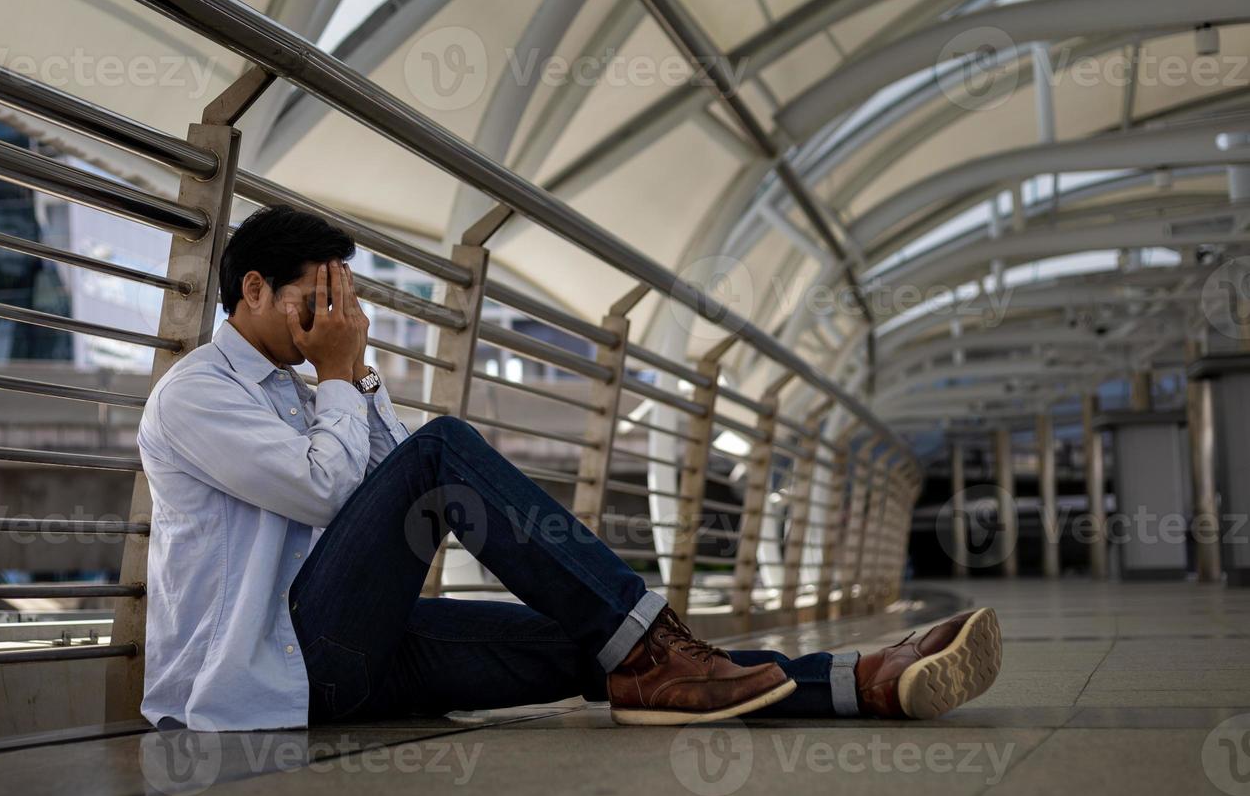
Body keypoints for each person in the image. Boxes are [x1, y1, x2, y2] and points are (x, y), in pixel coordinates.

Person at [135, 206, 1002, 731]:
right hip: (265, 677)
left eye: (345, 300)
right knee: (446, 446)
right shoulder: (195, 395)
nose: (338, 315)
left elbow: (385, 496)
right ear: (253, 290)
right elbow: (338, 490)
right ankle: (654, 640)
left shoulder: (310, 385)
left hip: (356, 647)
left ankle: (861, 685)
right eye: (318, 299)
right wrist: (337, 375)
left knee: (599, 647)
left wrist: (357, 380)